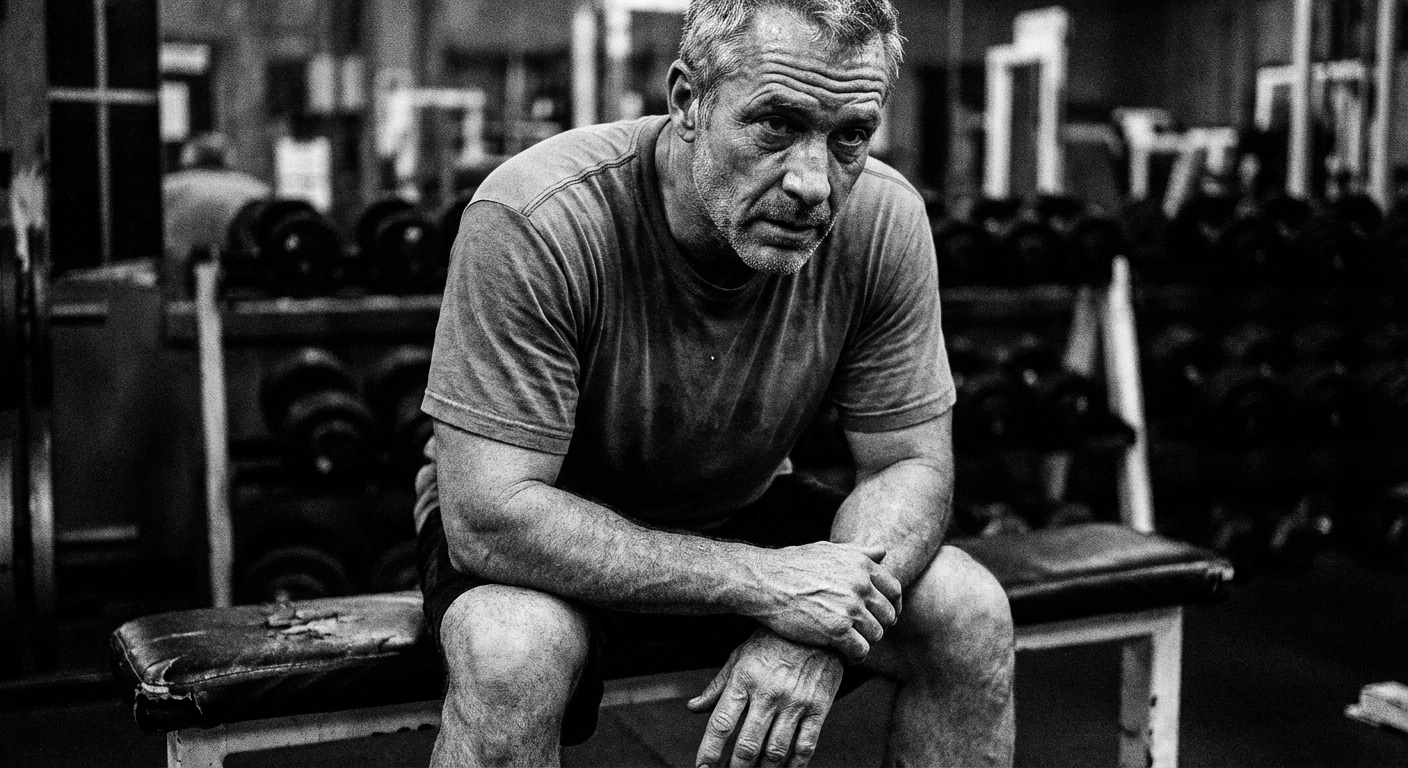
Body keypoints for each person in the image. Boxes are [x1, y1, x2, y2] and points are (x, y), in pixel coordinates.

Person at [413, 1, 1015, 765]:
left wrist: (819, 627)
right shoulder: (535, 217)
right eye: (776, 124)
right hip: (546, 528)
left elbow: (908, 462)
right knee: (508, 650)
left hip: (738, 504)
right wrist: (769, 586)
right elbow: (490, 515)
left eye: (849, 137)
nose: (813, 183)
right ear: (687, 100)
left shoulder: (885, 219)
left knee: (968, 609)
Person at [162, 132, 270, 274]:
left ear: (188, 156)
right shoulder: (257, 190)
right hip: (241, 275)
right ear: (229, 156)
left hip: (174, 273)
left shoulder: (167, 187)